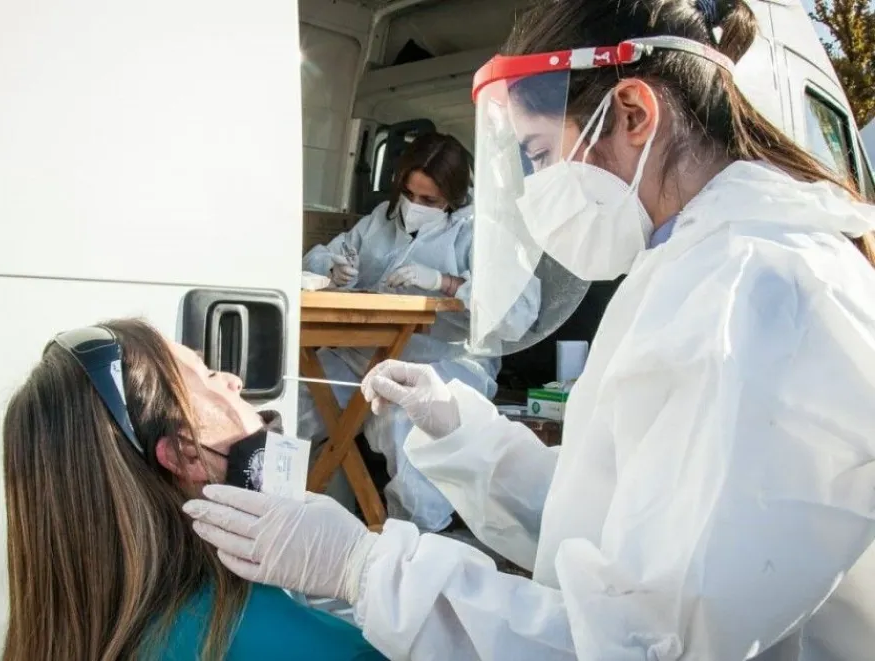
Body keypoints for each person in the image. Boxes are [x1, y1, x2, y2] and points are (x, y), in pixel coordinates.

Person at [182, 0, 875, 659]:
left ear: (632, 112)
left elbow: (649, 641)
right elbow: (604, 524)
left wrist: (370, 569)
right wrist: (463, 432)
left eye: (540, 154)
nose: (538, 186)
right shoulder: (692, 267)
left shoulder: (755, 295)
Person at [1, 318, 386, 661]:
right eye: (206, 375)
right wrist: (365, 570)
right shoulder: (313, 647)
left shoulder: (80, 631)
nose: (234, 381)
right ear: (186, 454)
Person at [300, 132, 539, 531]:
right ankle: (290, 512)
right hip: (361, 354)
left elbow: (517, 313)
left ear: (456, 197)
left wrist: (445, 283)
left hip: (442, 359)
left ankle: (412, 538)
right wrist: (332, 269)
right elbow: (320, 254)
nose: (414, 208)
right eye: (409, 194)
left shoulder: (482, 232)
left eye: (429, 201)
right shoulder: (381, 219)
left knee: (402, 423)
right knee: (299, 397)